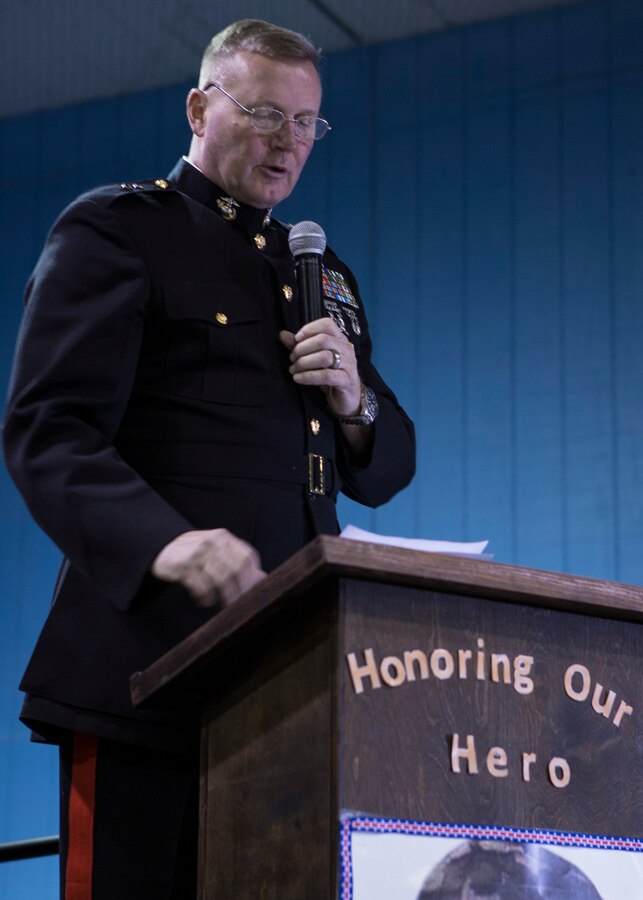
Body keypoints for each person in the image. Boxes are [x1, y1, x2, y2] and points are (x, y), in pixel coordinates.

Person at [2, 18, 415, 899]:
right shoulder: (121, 228)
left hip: (292, 680)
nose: (288, 141)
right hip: (147, 666)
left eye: (306, 122)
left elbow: (385, 470)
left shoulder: (318, 271)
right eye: (265, 112)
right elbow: (49, 427)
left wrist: (355, 402)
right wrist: (163, 541)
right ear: (199, 107)